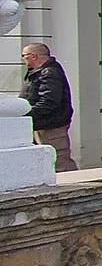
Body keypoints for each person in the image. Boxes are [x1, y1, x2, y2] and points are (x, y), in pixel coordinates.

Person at [20, 43, 76, 172]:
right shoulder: (38, 72)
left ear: (33, 56)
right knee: (48, 159)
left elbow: (49, 101)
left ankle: (73, 184)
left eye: (24, 56)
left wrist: (27, 114)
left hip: (51, 125)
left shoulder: (49, 73)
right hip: (42, 123)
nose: (23, 59)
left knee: (59, 160)